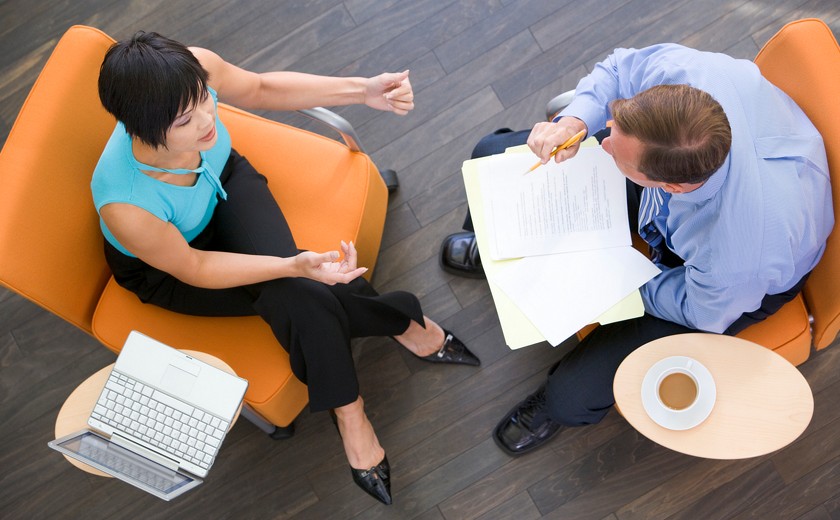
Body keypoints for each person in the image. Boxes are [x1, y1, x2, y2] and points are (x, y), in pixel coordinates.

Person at [92, 31, 480, 505]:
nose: (209, 119)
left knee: (296, 292)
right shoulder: (126, 206)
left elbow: (259, 89)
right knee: (297, 291)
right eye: (187, 120)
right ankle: (369, 377)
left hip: (223, 184)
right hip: (176, 265)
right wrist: (291, 266)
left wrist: (363, 89)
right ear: (142, 131)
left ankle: (373, 367)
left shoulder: (195, 68)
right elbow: (193, 265)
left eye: (204, 99)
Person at [440, 43, 833, 455]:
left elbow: (703, 310)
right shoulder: (685, 81)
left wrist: (619, 285)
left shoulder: (737, 256)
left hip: (723, 287)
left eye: (615, 150)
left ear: (671, 188)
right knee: (491, 152)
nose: (603, 142)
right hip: (704, 192)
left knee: (569, 397)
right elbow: (617, 69)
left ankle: (557, 398)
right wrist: (573, 120)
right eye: (613, 129)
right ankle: (499, 245)